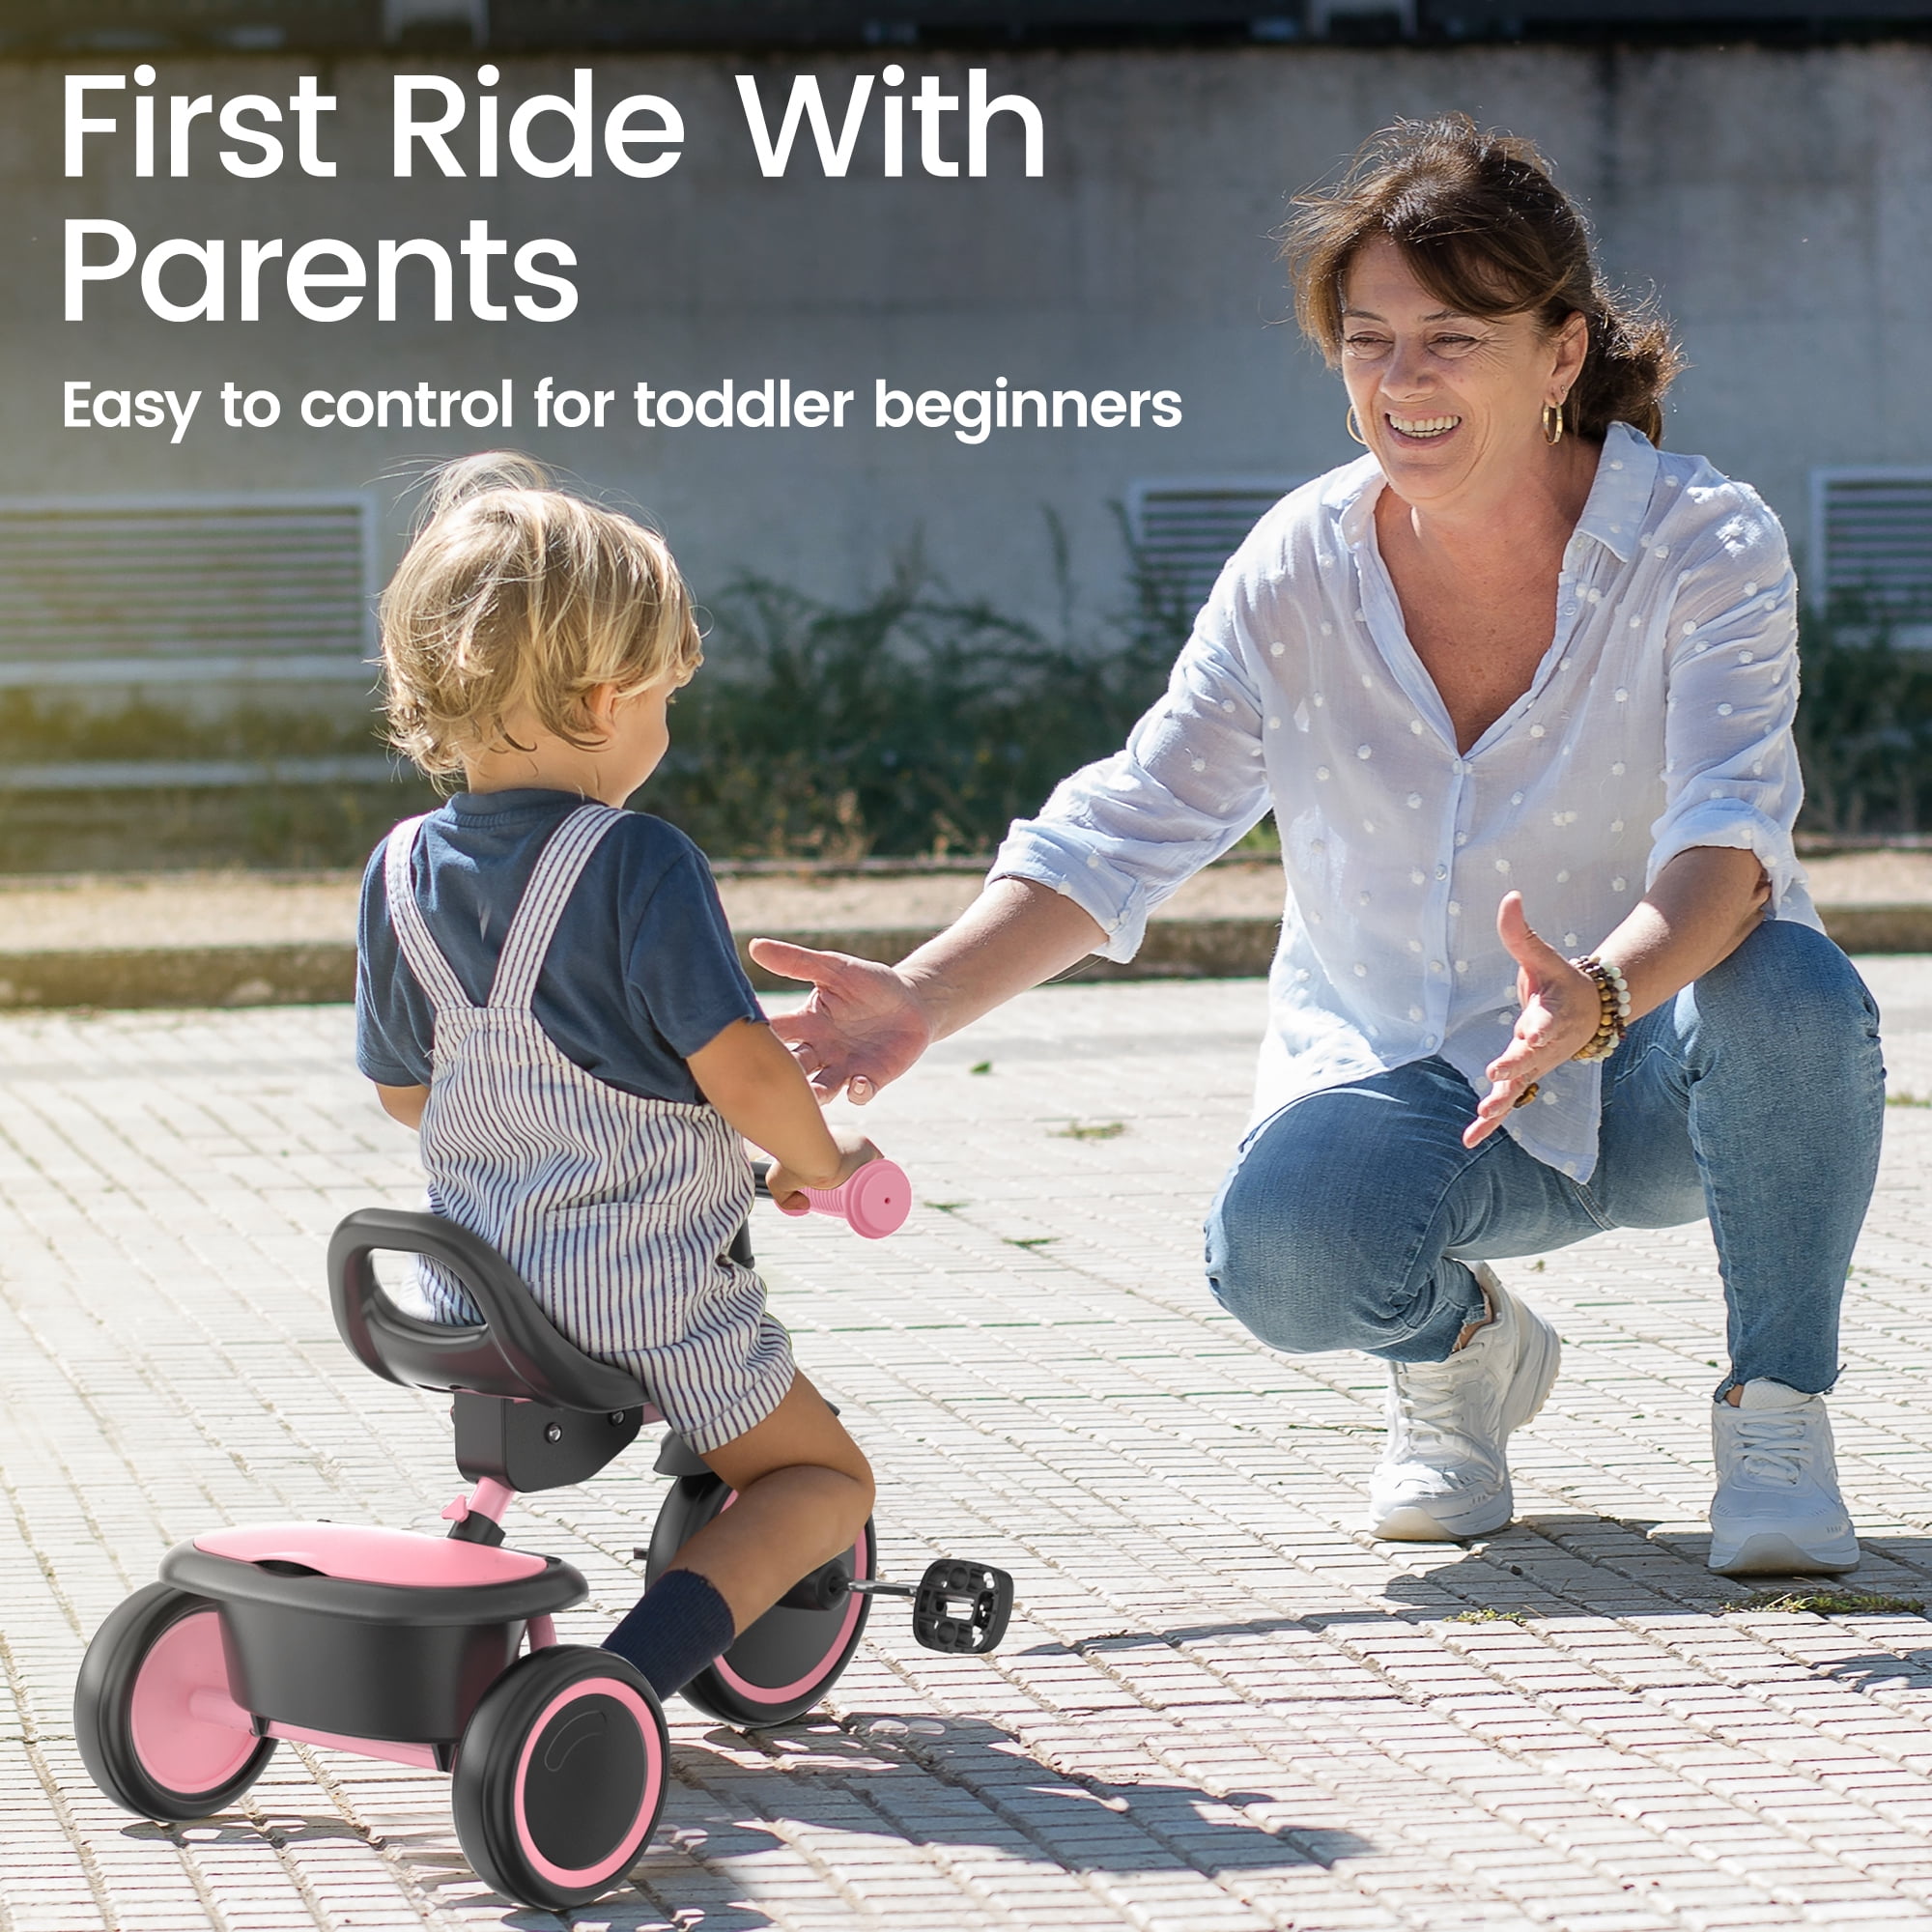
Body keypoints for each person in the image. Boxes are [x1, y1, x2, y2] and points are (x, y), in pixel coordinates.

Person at [753, 115, 1886, 1577]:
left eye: (1454, 339)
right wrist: (922, 996)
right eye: (1369, 341)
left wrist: (1600, 994)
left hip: (1657, 1064)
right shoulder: (1298, 565)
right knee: (1279, 1257)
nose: (1404, 381)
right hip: (1424, 1078)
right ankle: (1465, 1354)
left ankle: (1777, 1413)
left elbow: (1728, 842)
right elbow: (1134, 819)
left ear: (1561, 353)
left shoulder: (1704, 542)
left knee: (1794, 989)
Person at [355, 454, 880, 1698]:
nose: (663, 731)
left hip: (466, 1290)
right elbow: (743, 1068)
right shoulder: (638, 862)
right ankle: (628, 1682)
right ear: (602, 702)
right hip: (630, 1296)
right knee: (822, 1478)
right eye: (663, 702)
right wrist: (821, 1162)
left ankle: (475, 1571)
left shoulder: (398, 868)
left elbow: (405, 1093)